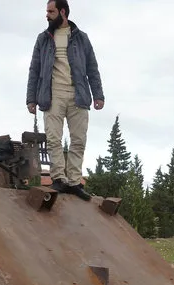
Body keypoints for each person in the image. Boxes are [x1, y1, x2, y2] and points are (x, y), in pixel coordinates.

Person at [26, 0, 105, 201]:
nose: (47, 15)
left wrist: (98, 95)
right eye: (46, 11)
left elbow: (92, 68)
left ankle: (75, 181)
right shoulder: (43, 39)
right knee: (54, 139)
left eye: (51, 11)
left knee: (79, 139)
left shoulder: (81, 38)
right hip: (52, 94)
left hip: (78, 94)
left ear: (63, 12)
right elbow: (34, 69)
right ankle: (59, 178)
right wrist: (31, 98)